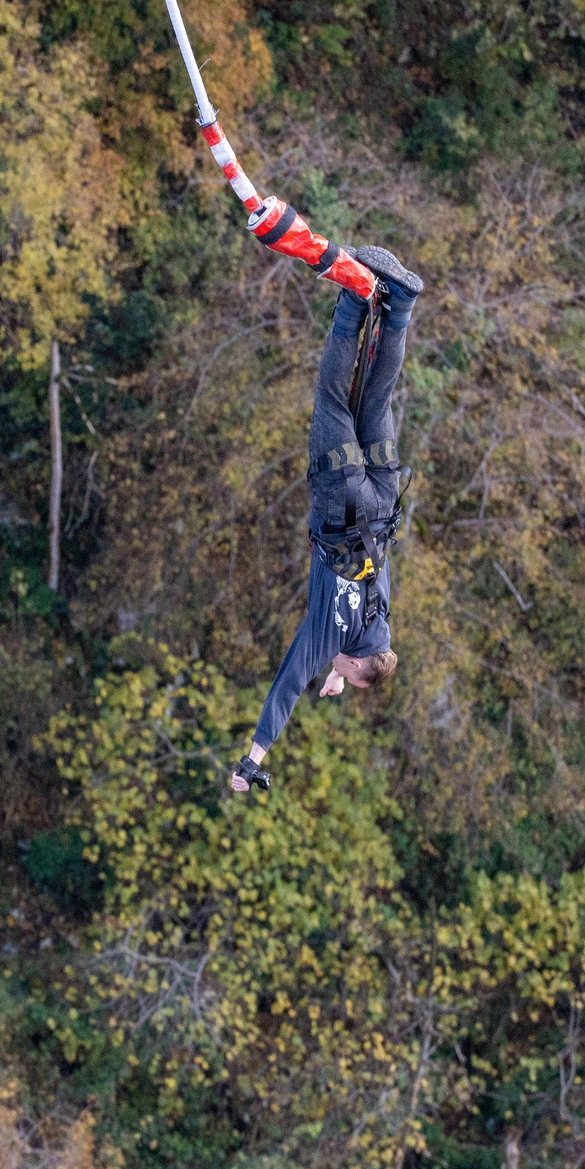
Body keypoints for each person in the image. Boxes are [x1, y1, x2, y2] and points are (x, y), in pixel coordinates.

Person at [230, 245, 423, 792]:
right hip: (341, 500)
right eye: (347, 673)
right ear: (357, 664)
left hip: (383, 501)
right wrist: (253, 761)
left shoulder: (379, 624)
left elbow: (364, 650)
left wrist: (341, 672)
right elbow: (287, 687)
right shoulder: (326, 636)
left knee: (376, 396)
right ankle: (352, 297)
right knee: (333, 397)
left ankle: (401, 301)